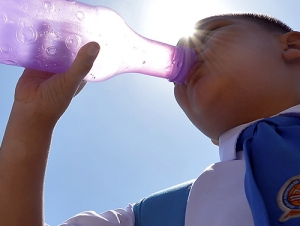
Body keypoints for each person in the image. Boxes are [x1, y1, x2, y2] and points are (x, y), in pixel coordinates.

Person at [1, 13, 300, 226]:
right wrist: (34, 116)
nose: (184, 54)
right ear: (211, 137)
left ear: (292, 46)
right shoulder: (157, 216)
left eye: (210, 33)